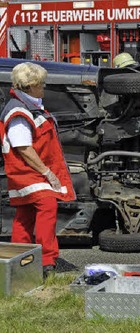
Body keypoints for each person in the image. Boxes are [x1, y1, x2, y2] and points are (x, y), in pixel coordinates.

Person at [0, 62, 76, 279]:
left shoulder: (27, 106)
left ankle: (18, 261)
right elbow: (23, 147)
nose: (44, 87)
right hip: (28, 173)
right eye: (41, 84)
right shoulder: (19, 111)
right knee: (47, 205)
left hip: (25, 174)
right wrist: (47, 172)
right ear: (31, 85)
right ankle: (46, 261)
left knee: (25, 215)